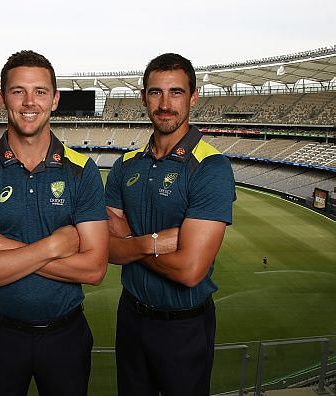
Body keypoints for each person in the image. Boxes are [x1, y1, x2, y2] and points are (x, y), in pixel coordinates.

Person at [0, 50, 109, 396]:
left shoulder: (83, 171)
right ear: (1, 97)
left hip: (67, 336)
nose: (29, 102)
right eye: (18, 91)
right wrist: (54, 246)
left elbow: (94, 269)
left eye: (39, 91)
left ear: (55, 100)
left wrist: (0, 246)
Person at [105, 53, 235, 396]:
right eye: (155, 93)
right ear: (143, 97)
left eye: (176, 92)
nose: (165, 104)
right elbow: (107, 246)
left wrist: (130, 241)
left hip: (184, 326)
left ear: (193, 97)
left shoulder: (211, 167)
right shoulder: (125, 166)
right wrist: (152, 242)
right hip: (130, 316)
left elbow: (189, 270)